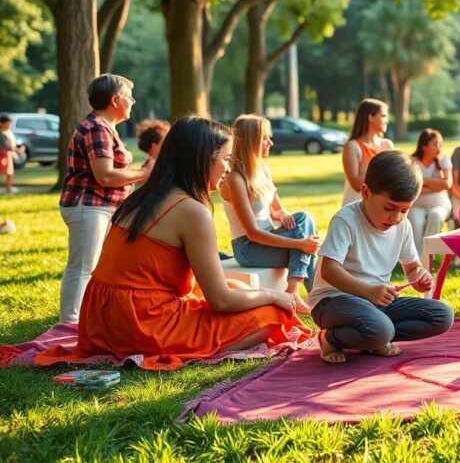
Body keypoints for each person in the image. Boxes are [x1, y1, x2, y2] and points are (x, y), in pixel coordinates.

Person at [35, 117, 310, 370]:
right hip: (141, 324)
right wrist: (277, 295)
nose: (228, 168)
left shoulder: (145, 195)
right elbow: (221, 301)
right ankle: (203, 350)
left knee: (239, 287)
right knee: (272, 314)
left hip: (102, 320)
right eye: (226, 159)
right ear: (202, 159)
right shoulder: (191, 210)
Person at [309, 150, 455, 364]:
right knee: (381, 329)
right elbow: (329, 270)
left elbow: (411, 266)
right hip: (332, 302)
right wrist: (367, 290)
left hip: (375, 302)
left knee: (442, 316)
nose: (396, 217)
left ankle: (372, 337)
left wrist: (419, 275)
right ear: (365, 193)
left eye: (405, 210)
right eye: (389, 208)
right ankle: (331, 337)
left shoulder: (403, 226)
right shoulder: (346, 220)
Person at [58, 74, 150, 324]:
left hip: (101, 207)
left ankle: (91, 319)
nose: (132, 101)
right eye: (129, 96)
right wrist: (144, 173)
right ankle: (69, 325)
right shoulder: (97, 128)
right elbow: (105, 176)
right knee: (83, 267)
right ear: (115, 100)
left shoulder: (105, 128)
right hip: (89, 206)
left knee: (97, 268)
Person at [220, 115, 321, 314]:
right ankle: (313, 297)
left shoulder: (262, 170)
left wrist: (283, 214)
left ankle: (306, 294)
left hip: (268, 238)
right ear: (252, 140)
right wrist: (300, 244)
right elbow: (252, 233)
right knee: (306, 245)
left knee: (304, 218)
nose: (271, 143)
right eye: (265, 138)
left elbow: (277, 208)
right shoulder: (235, 179)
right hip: (249, 248)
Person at [409, 128, 453, 262]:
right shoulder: (412, 162)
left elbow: (447, 184)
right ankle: (417, 261)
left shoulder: (443, 161)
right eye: (435, 144)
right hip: (417, 205)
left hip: (440, 204)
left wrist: (424, 181)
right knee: (416, 223)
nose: (439, 147)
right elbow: (411, 188)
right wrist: (436, 185)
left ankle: (429, 258)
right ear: (424, 147)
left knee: (435, 216)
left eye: (440, 144)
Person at [342, 99, 393, 207]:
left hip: (381, 210)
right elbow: (356, 183)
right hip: (355, 209)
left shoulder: (387, 145)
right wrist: (386, 175)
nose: (387, 120)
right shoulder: (352, 146)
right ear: (370, 117)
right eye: (383, 116)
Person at [0, 114, 26, 194]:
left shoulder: (9, 132)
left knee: (9, 173)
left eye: (9, 123)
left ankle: (9, 189)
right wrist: (18, 150)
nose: (9, 125)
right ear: (1, 123)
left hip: (8, 155)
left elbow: (12, 144)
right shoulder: (1, 133)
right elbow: (5, 146)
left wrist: (19, 148)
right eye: (7, 123)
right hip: (2, 155)